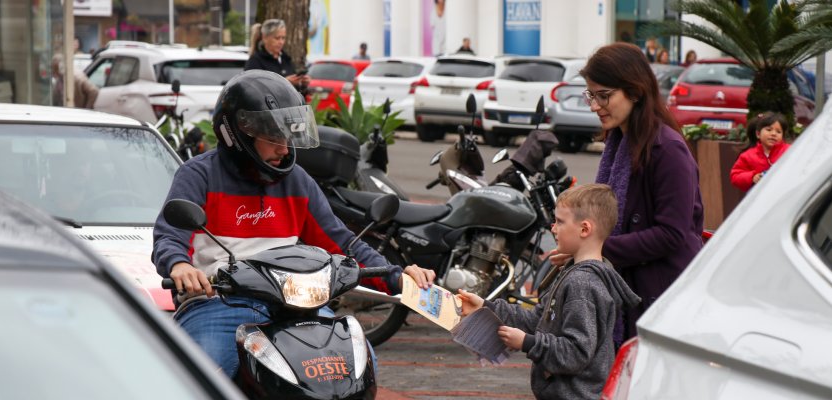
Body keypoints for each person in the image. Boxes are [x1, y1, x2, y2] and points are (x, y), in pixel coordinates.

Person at [152, 70, 436, 378]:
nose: (284, 149)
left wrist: (398, 275)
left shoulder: (297, 181)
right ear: (237, 134)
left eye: (287, 138)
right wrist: (179, 265)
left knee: (359, 366)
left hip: (295, 305)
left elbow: (342, 243)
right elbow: (169, 236)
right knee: (201, 373)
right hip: (218, 303)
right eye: (273, 139)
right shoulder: (199, 176)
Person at [550, 42, 703, 344]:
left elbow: (672, 233)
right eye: (591, 95)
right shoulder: (619, 143)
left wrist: (594, 249)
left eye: (604, 96)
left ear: (634, 91)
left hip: (661, 297)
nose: (595, 106)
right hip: (632, 291)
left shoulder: (667, 149)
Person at [457, 184, 640, 400]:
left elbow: (576, 353)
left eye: (560, 222)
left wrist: (527, 342)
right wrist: (487, 307)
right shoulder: (572, 272)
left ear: (584, 229)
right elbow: (538, 319)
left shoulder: (582, 284)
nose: (553, 228)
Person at [730, 112, 790, 192]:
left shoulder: (790, 151)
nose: (773, 134)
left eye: (778, 132)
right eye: (769, 130)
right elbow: (735, 176)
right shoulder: (748, 155)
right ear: (758, 134)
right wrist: (752, 177)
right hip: (758, 197)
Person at [245, 19, 310, 90]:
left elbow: (294, 93)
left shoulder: (286, 59)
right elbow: (252, 89)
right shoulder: (255, 61)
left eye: (283, 38)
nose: (281, 42)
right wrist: (283, 82)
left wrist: (301, 84)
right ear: (265, 38)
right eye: (277, 38)